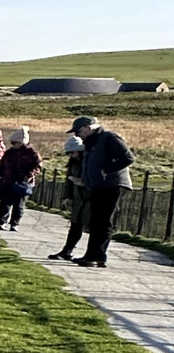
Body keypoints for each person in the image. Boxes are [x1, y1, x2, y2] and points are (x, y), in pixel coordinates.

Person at [76, 115, 135, 269]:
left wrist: (106, 170)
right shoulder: (91, 142)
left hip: (112, 185)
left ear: (89, 128)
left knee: (103, 221)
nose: (77, 135)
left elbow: (128, 157)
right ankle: (91, 255)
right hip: (98, 186)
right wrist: (86, 180)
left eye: (78, 131)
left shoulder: (108, 137)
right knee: (95, 222)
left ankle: (98, 257)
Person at [49, 118, 92, 261]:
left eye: (72, 153)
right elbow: (69, 182)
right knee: (75, 227)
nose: (70, 156)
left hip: (89, 198)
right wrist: (67, 197)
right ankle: (67, 250)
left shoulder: (88, 162)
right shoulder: (73, 164)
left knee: (91, 228)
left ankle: (91, 255)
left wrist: (84, 183)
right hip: (78, 199)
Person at [0, 127, 42, 231]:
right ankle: (2, 222)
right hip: (7, 181)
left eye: (15, 142)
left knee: (19, 205)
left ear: (22, 142)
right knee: (5, 204)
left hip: (22, 183)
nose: (13, 145)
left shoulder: (32, 153)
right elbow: (1, 166)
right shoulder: (9, 153)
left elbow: (37, 167)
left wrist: (28, 175)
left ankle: (14, 224)